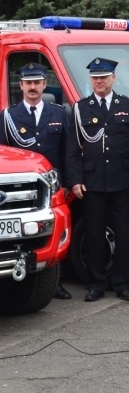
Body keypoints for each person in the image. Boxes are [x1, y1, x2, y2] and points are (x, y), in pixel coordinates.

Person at [65, 58, 129, 302]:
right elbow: (72, 149)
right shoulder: (80, 108)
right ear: (91, 80)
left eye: (103, 77)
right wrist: (75, 180)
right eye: (95, 78)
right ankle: (96, 284)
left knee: (123, 234)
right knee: (94, 234)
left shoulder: (127, 105)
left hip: (122, 180)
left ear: (113, 78)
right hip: (93, 183)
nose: (99, 81)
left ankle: (122, 283)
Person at [1, 62, 71, 299]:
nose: (33, 87)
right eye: (28, 83)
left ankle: (56, 283)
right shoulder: (9, 116)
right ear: (21, 85)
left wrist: (67, 183)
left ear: (44, 85)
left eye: (37, 83)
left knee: (55, 233)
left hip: (52, 188)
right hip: (21, 193)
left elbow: (67, 151)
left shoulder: (59, 113)